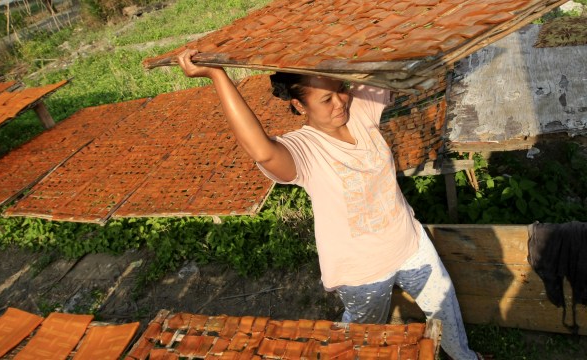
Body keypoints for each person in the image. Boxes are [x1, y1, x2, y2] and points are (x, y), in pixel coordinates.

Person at [177, 49, 480, 360]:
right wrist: (218, 75)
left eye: (342, 88)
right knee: (364, 337)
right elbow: (262, 151)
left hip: (410, 244)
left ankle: (466, 358)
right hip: (361, 273)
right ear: (299, 105)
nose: (340, 102)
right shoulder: (304, 150)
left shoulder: (360, 112)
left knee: (445, 307)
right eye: (326, 99)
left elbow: (387, 57)